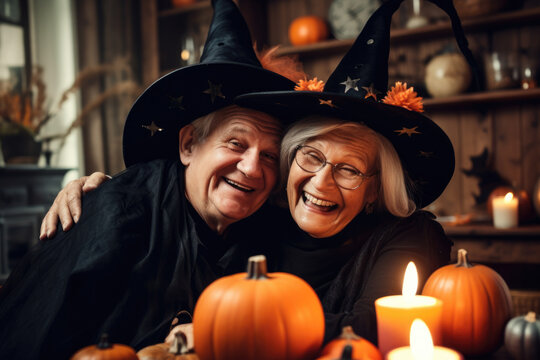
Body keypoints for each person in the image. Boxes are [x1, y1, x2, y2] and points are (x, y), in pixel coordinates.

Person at [37, 0, 479, 349]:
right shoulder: (257, 220)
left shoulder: (408, 236)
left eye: (348, 170)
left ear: (375, 187)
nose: (321, 184)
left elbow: (378, 324)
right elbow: (173, 208)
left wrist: (223, 330)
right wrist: (107, 192)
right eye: (310, 157)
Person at [0, 0, 298, 358]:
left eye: (269, 155)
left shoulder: (273, 227)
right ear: (189, 145)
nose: (252, 168)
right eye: (236, 143)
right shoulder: (114, 214)